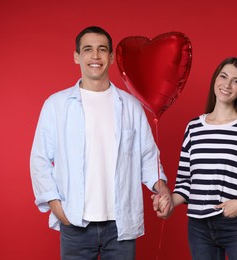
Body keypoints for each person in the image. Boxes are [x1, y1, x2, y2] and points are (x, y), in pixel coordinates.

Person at [30, 25, 173, 260]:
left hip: (120, 226)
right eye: (88, 49)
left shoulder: (131, 106)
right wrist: (57, 207)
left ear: (111, 57)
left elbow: (147, 156)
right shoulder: (56, 105)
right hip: (75, 222)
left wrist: (162, 188)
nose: (95, 56)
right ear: (77, 56)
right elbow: (40, 161)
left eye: (102, 49)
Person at [154, 57, 237, 259]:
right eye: (223, 76)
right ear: (215, 79)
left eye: (236, 81)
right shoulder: (194, 128)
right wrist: (169, 201)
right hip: (199, 228)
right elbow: (186, 184)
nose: (227, 84)